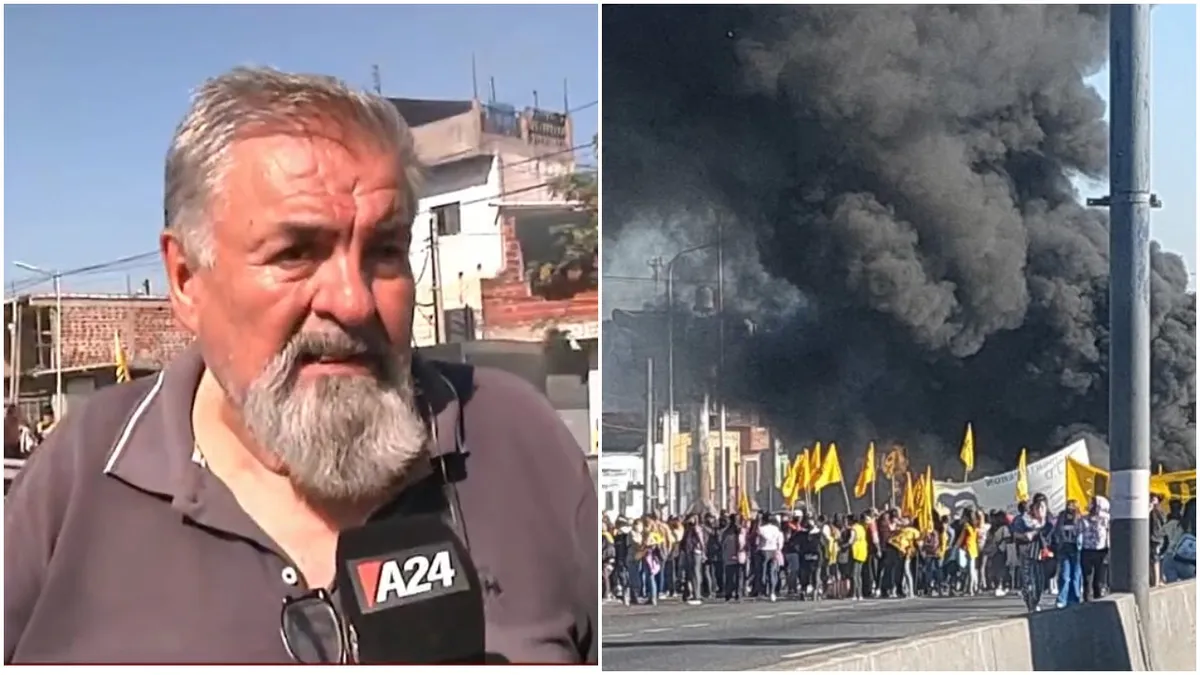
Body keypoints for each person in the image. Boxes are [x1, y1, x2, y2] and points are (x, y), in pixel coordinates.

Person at [3, 67, 597, 665]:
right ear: (186, 280)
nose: (353, 300)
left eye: (385, 250)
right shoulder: (78, 477)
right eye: (295, 252)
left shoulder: (517, 442)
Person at [1052, 500, 1084, 608]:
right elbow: (1057, 531)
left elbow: (1081, 531)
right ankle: (1062, 599)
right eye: (1068, 506)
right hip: (1064, 548)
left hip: (1076, 549)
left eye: (1072, 506)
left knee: (1076, 576)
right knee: (1065, 575)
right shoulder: (1062, 516)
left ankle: (1074, 599)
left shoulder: (1079, 517)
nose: (1070, 508)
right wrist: (1058, 542)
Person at [1080, 495, 1111, 601]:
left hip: (1101, 551)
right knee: (1087, 579)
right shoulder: (1084, 518)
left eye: (1092, 503)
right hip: (1086, 550)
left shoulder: (1106, 519)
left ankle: (1098, 600)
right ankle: (1087, 600)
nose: (1089, 505)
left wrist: (1109, 549)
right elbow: (1078, 531)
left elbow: (1109, 533)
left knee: (1099, 580)